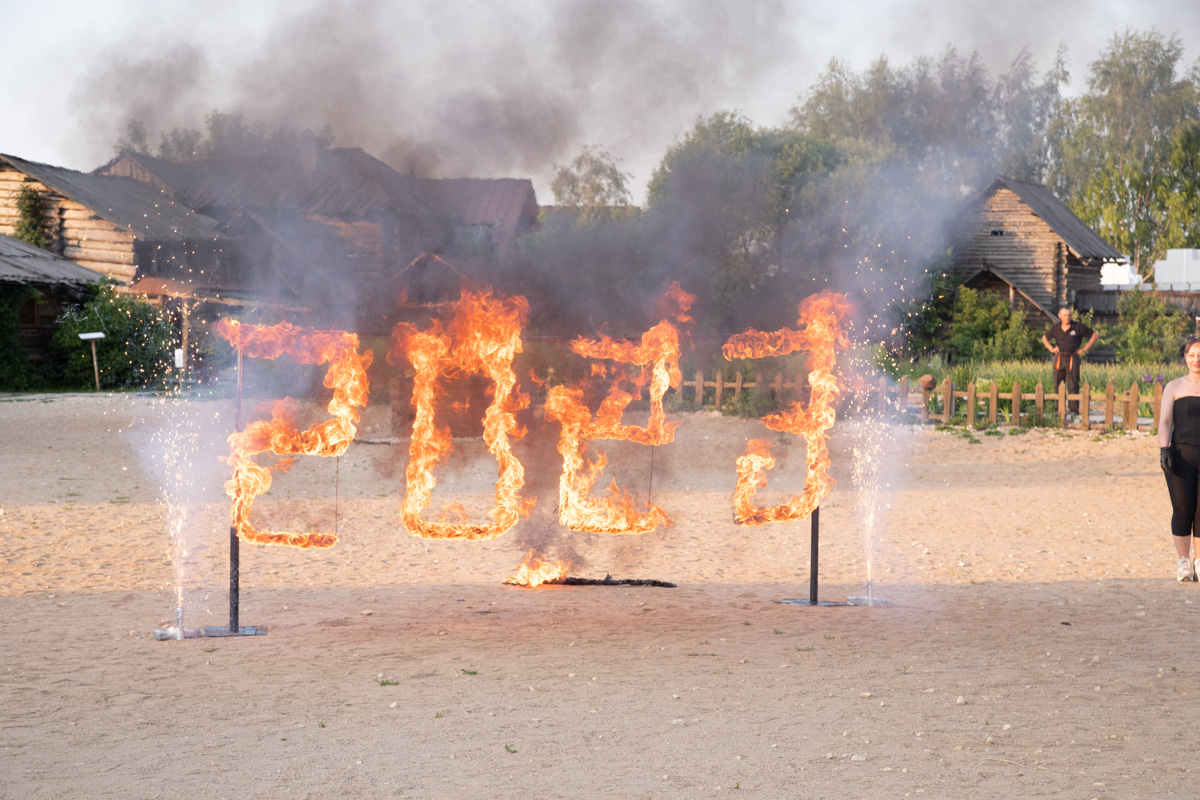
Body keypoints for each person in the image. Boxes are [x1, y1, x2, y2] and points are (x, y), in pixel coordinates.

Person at [1158, 336, 1200, 581]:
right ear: (1185, 357)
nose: (1197, 360)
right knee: (1183, 507)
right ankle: (1184, 562)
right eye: (1192, 355)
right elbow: (1164, 422)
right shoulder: (1174, 386)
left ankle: (1199, 561)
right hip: (1181, 455)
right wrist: (1164, 449)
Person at [1041, 305, 1098, 418]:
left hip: (1073, 357)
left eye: (1069, 315)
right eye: (1065, 315)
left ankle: (1074, 411)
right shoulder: (1055, 328)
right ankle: (1058, 410)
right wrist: (1051, 349)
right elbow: (1044, 338)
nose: (1067, 317)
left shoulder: (1078, 327)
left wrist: (1085, 349)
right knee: (1058, 384)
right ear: (1059, 316)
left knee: (1073, 385)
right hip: (1059, 357)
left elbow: (1094, 335)